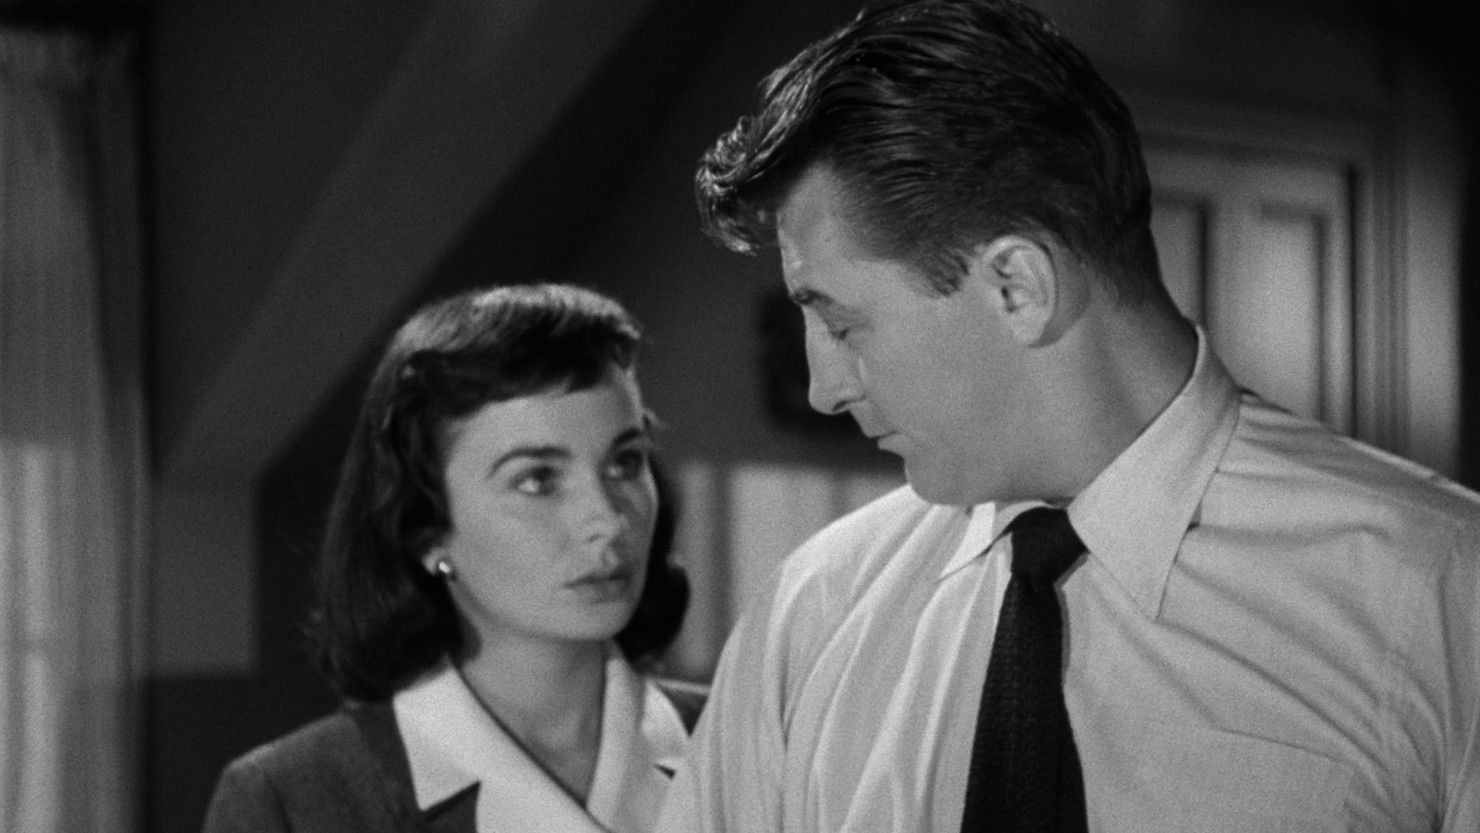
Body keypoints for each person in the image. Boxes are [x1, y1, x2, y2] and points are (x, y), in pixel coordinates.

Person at [656, 1, 1480, 831]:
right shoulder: (812, 614)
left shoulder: (1442, 595)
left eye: (841, 324)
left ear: (1018, 286)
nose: (822, 389)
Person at [203, 283, 702, 833]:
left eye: (625, 463)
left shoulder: (737, 735)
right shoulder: (292, 802)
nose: (607, 519)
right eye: (538, 480)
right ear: (427, 529)